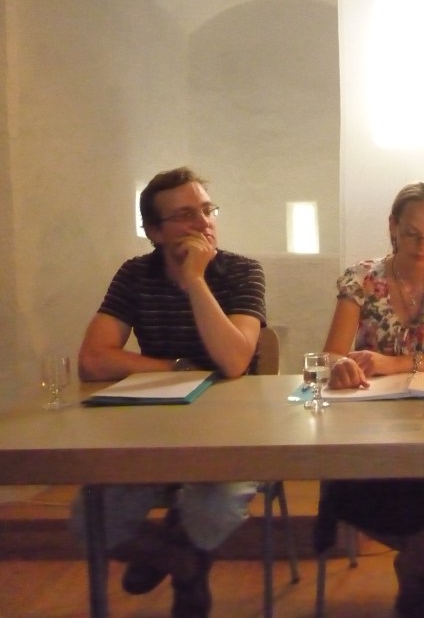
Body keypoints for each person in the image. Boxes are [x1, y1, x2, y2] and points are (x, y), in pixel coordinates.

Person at [72, 167, 266, 618]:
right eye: (185, 215)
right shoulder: (136, 274)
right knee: (89, 518)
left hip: (232, 430)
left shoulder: (241, 271)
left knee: (214, 506)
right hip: (152, 427)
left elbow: (234, 361)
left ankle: (184, 555)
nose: (203, 223)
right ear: (155, 232)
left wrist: (195, 280)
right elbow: (93, 359)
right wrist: (179, 368)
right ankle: (183, 562)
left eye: (207, 210)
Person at [319, 181, 424, 618]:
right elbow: (331, 353)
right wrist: (340, 366)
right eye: (413, 234)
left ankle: (416, 562)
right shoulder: (363, 279)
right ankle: (422, 562)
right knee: (366, 481)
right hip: (373, 420)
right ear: (393, 227)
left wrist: (398, 363)